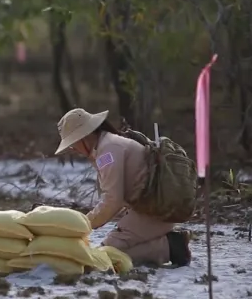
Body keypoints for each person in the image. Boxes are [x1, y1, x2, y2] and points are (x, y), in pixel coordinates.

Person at [54, 108, 192, 267]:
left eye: (72, 144)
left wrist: (83, 225)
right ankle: (166, 243)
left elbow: (113, 200)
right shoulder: (107, 145)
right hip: (153, 207)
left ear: (84, 136)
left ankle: (170, 247)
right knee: (109, 250)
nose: (73, 150)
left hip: (158, 211)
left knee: (107, 254)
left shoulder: (108, 151)